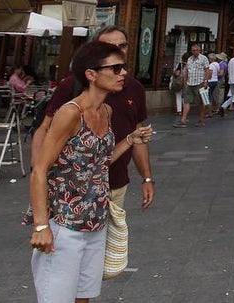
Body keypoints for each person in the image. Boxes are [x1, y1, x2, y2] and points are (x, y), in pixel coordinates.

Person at [29, 40, 154, 303]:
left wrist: (130, 140)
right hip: (65, 223)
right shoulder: (70, 113)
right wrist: (41, 225)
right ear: (91, 74)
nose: (122, 74)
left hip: (96, 220)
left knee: (84, 297)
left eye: (123, 68)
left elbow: (98, 162)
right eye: (116, 68)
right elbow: (40, 169)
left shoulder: (106, 111)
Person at [32, 27, 154, 221]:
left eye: (122, 45)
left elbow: (104, 156)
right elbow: (44, 130)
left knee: (106, 248)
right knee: (68, 244)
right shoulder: (71, 92)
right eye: (109, 47)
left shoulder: (127, 95)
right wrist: (39, 175)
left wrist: (146, 177)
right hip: (71, 192)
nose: (117, 50)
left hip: (113, 184)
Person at [174, 44, 210, 128]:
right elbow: (186, 70)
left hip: (199, 82)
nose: (195, 52)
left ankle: (201, 119)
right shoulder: (189, 59)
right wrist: (185, 80)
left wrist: (205, 81)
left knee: (200, 102)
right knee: (187, 101)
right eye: (193, 50)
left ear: (199, 50)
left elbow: (207, 70)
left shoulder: (204, 59)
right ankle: (183, 120)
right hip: (190, 83)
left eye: (196, 50)